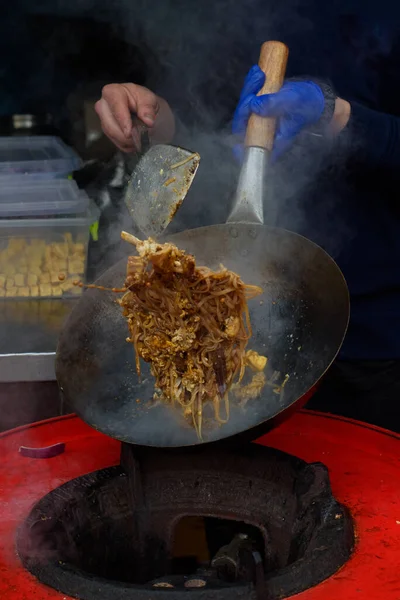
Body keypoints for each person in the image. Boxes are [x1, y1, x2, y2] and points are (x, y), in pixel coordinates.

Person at [95, 2, 400, 432]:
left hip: (371, 345)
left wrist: (338, 116)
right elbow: (209, 129)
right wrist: (152, 116)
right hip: (234, 326)